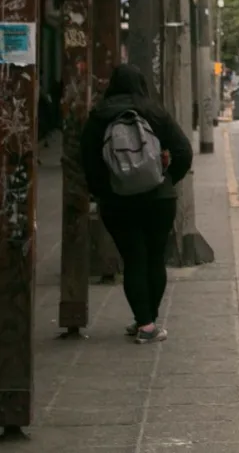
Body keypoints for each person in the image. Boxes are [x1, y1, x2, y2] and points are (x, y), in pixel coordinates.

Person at [80, 64, 193, 344]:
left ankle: (145, 322)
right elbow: (183, 151)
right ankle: (148, 321)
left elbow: (88, 163)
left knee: (133, 259)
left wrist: (105, 191)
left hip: (118, 203)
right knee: (155, 257)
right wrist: (165, 178)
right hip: (159, 199)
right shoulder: (155, 112)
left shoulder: (98, 116)